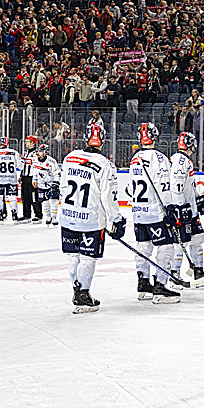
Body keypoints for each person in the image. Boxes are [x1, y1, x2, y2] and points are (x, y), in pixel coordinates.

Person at [58, 124, 124, 313]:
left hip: (68, 216)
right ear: (102, 140)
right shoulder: (104, 164)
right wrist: (116, 219)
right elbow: (108, 196)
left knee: (73, 255)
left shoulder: (70, 157)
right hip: (91, 220)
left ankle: (77, 291)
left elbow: (63, 188)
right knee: (87, 257)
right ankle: (83, 294)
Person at [127, 122, 179, 303]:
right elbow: (163, 185)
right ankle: (160, 287)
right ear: (155, 136)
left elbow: (128, 189)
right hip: (155, 212)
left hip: (138, 212)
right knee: (166, 247)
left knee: (144, 246)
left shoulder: (135, 158)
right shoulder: (159, 158)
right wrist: (170, 207)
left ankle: (143, 284)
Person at [169, 132, 204, 285]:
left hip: (190, 209)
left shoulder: (184, 160)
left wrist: (199, 198)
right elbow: (176, 187)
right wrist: (180, 207)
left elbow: (189, 185)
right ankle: (174, 273)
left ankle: (198, 270)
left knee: (198, 238)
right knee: (180, 242)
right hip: (182, 210)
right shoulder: (180, 161)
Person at [0, 137, 20, 222]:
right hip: (12, 178)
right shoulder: (14, 153)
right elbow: (20, 166)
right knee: (12, 197)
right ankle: (14, 215)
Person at [31, 143, 60, 227]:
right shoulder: (35, 161)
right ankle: (48, 217)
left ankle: (54, 218)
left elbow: (57, 172)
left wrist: (56, 182)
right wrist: (34, 179)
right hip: (41, 185)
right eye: (38, 151)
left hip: (51, 185)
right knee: (45, 202)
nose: (38, 153)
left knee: (54, 201)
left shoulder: (52, 161)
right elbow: (34, 171)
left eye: (40, 151)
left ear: (45, 152)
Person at [18, 135, 42, 222]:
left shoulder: (36, 154)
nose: (25, 143)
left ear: (32, 143)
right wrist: (21, 175)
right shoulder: (26, 152)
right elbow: (24, 165)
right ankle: (26, 215)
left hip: (32, 178)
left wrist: (36, 179)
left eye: (27, 141)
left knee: (33, 197)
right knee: (25, 197)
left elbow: (37, 167)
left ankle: (38, 215)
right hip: (25, 177)